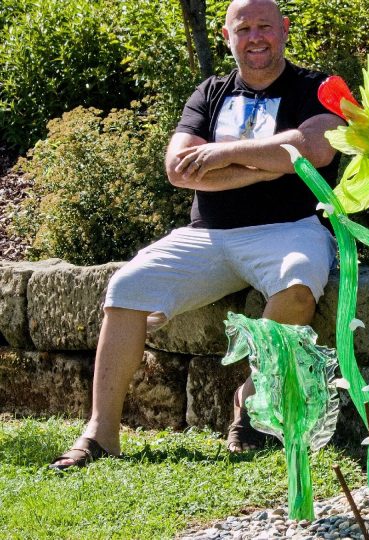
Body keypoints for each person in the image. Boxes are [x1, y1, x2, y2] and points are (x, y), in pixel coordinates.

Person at [50, 0, 345, 469]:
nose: (255, 38)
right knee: (126, 288)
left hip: (291, 228)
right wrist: (269, 165)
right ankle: (101, 433)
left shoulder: (318, 88)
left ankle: (250, 402)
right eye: (242, 28)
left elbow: (315, 150)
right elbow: (179, 168)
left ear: (284, 29)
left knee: (298, 282)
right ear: (228, 36)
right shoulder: (209, 92)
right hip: (208, 235)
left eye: (264, 26)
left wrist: (220, 156)